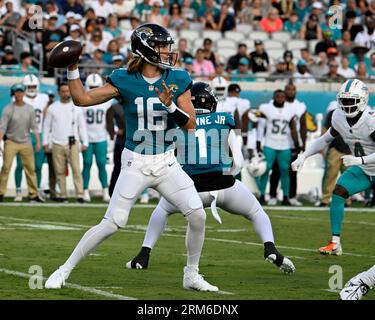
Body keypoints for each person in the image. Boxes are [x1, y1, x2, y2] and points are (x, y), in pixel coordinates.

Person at [45, 23, 218, 292]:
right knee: (113, 223)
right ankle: (63, 270)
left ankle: (191, 274)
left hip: (166, 162)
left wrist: (169, 104)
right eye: (161, 46)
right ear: (146, 48)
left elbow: (190, 124)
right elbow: (81, 99)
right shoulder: (124, 78)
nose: (166, 51)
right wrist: (72, 68)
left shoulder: (179, 78)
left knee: (197, 214)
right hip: (135, 162)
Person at [126, 82, 295, 274]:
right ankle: (270, 246)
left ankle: (144, 254)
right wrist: (225, 179)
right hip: (223, 185)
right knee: (256, 212)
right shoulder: (225, 119)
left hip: (189, 189)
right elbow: (238, 163)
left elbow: (167, 158)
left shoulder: (176, 123)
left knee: (162, 209)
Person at [292, 79, 374, 256]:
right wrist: (303, 155)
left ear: (363, 100)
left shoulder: (370, 120)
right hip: (366, 171)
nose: (347, 105)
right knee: (338, 192)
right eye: (344, 100)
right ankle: (335, 242)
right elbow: (324, 140)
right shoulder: (338, 117)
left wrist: (360, 161)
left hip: (363, 165)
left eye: (351, 100)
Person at [43, 83, 88, 203]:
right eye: (63, 91)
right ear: (59, 92)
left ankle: (80, 195)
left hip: (73, 143)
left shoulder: (77, 107)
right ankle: (62, 195)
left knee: (76, 169)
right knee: (59, 171)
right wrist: (45, 142)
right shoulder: (53, 108)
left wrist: (85, 141)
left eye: (67, 91)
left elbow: (82, 126)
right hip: (57, 143)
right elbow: (47, 126)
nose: (65, 93)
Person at [0, 83, 43, 203]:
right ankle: (1, 193)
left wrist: (38, 141)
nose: (19, 94)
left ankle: (33, 194)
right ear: (13, 94)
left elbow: (34, 127)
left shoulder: (29, 109)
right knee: (6, 168)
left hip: (26, 142)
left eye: (21, 91)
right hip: (11, 142)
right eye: (16, 92)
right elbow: (2, 128)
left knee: (30, 169)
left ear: (24, 93)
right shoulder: (8, 109)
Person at [257, 90, 300, 205]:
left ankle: (285, 196)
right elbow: (261, 127)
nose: (280, 98)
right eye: (278, 96)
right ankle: (262, 195)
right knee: (265, 170)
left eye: (282, 96)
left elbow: (293, 128)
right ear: (274, 97)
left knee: (285, 171)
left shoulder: (290, 110)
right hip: (269, 143)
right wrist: (258, 142)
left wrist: (296, 144)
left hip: (284, 144)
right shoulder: (266, 108)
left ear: (285, 98)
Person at [269, 83, 307, 206]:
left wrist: (303, 143)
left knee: (292, 171)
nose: (290, 91)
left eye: (293, 89)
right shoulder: (273, 105)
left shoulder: (300, 106)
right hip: (278, 142)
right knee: (276, 171)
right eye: (288, 89)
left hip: (293, 144)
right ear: (284, 91)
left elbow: (303, 125)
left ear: (296, 91)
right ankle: (273, 195)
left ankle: (292, 196)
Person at [14, 75, 49, 202]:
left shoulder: (43, 98)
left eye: (34, 86)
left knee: (38, 166)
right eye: (29, 87)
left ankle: (36, 190)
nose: (32, 89)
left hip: (38, 133)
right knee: (20, 165)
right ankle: (18, 190)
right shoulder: (18, 98)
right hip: (23, 134)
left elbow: (46, 118)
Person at [82, 73, 112, 203]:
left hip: (101, 137)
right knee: (87, 164)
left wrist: (110, 138)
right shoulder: (82, 100)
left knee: (101, 164)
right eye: (92, 86)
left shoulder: (107, 102)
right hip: (87, 138)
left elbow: (110, 122)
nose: (94, 89)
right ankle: (85, 191)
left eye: (96, 86)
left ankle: (105, 191)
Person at [106, 100, 125, 196]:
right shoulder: (114, 107)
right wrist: (115, 131)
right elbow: (108, 122)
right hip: (121, 142)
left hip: (135, 141)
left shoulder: (135, 104)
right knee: (118, 168)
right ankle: (112, 192)